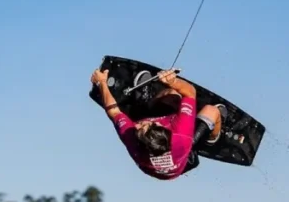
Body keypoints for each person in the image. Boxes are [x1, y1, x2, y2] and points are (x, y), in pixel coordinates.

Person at [91, 67, 227, 180]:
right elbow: (191, 92)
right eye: (142, 126)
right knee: (212, 111)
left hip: (159, 158)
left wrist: (101, 82)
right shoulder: (182, 134)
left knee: (170, 95)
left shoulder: (132, 139)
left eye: (141, 128)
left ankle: (144, 103)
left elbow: (113, 111)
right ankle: (212, 139)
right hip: (184, 160)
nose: (137, 125)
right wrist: (174, 81)